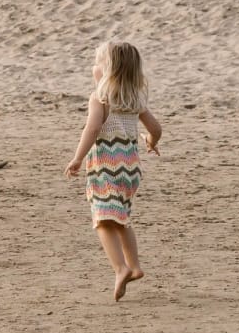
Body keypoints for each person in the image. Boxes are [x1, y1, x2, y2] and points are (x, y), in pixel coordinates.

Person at [63, 39, 165, 300]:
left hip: (106, 168)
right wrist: (150, 142)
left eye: (97, 62)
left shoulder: (100, 97)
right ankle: (135, 266)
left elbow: (93, 129)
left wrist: (77, 158)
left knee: (103, 220)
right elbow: (156, 129)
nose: (92, 67)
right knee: (121, 218)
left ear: (109, 71)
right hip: (130, 170)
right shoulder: (135, 99)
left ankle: (120, 268)